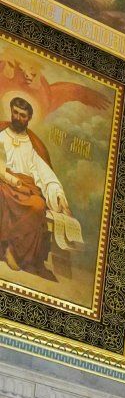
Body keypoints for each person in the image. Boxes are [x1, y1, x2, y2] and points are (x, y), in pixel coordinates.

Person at [0, 97, 73, 281]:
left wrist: (58, 194)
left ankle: (12, 249)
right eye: (15, 113)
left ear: (29, 118)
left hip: (26, 187)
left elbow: (46, 175)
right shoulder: (1, 135)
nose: (18, 117)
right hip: (3, 182)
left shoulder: (33, 144)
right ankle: (6, 246)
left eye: (22, 115)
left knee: (38, 206)